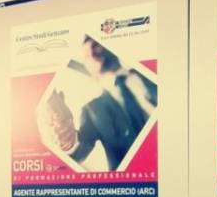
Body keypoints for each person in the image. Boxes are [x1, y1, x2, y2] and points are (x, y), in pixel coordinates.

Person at [43, 36, 157, 171]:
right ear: (87, 67)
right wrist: (67, 141)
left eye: (95, 46)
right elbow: (79, 150)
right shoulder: (92, 110)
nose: (92, 54)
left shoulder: (152, 73)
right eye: (86, 56)